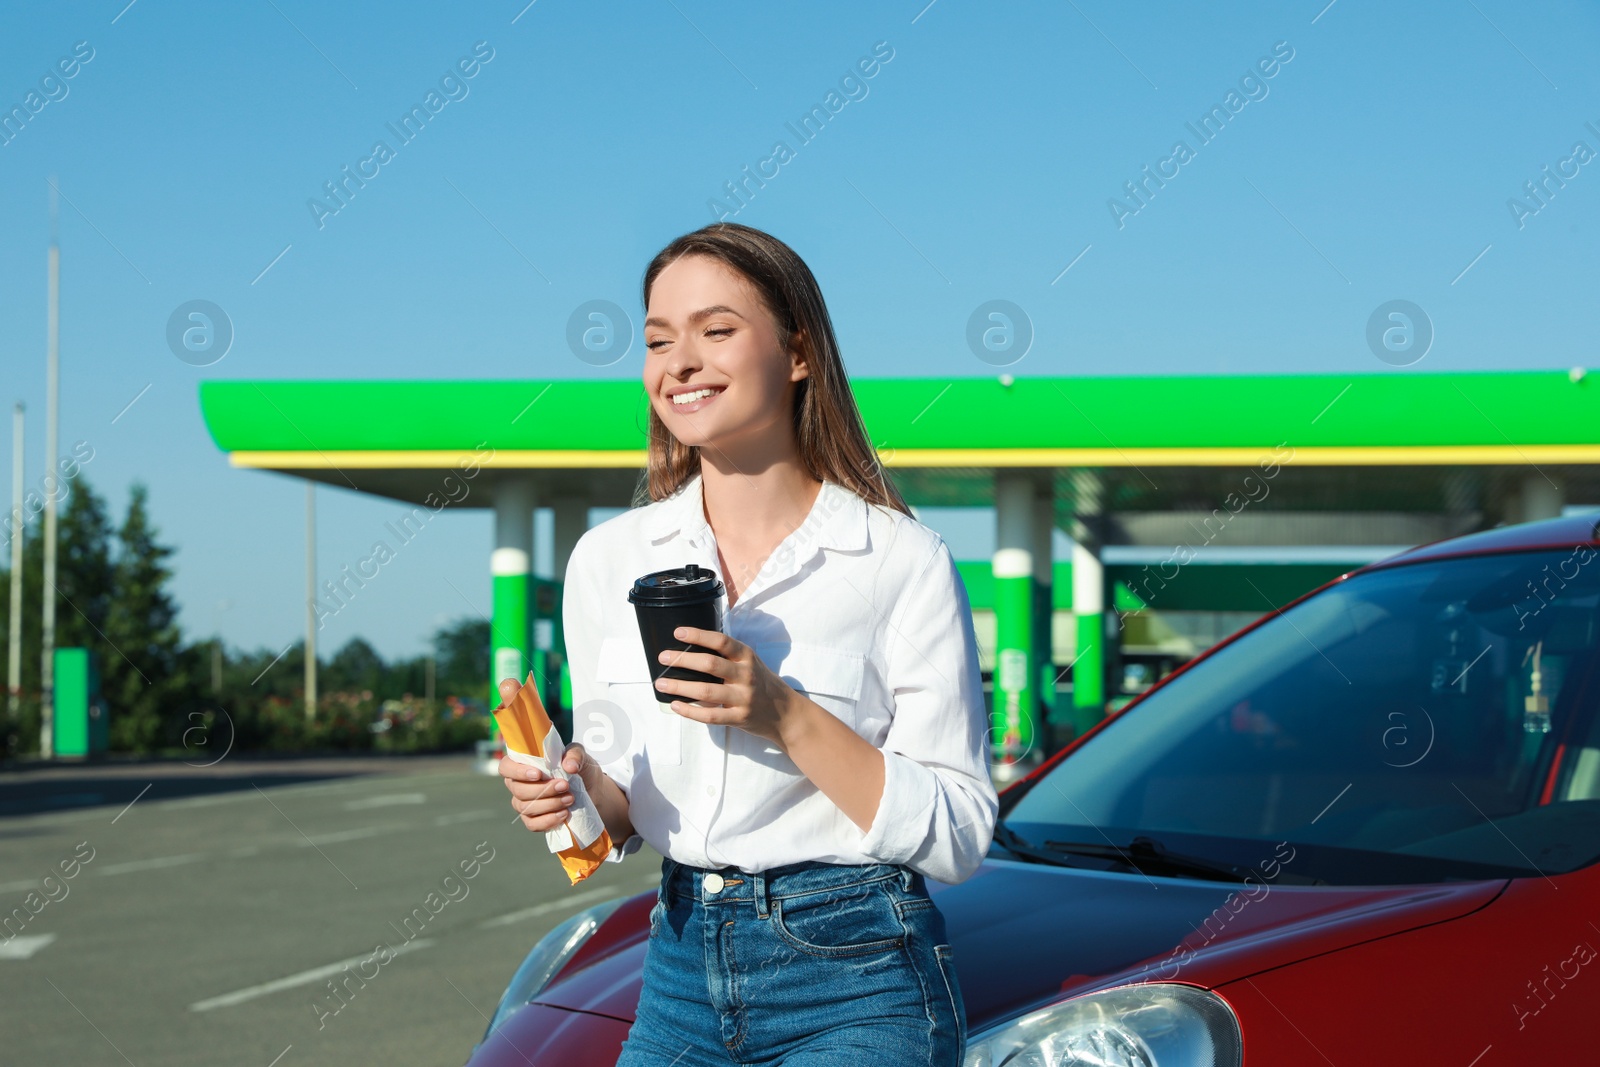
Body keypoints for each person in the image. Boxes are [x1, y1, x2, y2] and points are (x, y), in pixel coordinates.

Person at [497, 221, 997, 1065]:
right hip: (680, 961)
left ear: (798, 353)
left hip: (859, 973)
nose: (678, 362)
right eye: (657, 340)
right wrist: (567, 796)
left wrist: (783, 713)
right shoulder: (607, 561)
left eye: (715, 330)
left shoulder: (899, 560)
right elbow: (621, 803)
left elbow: (960, 832)